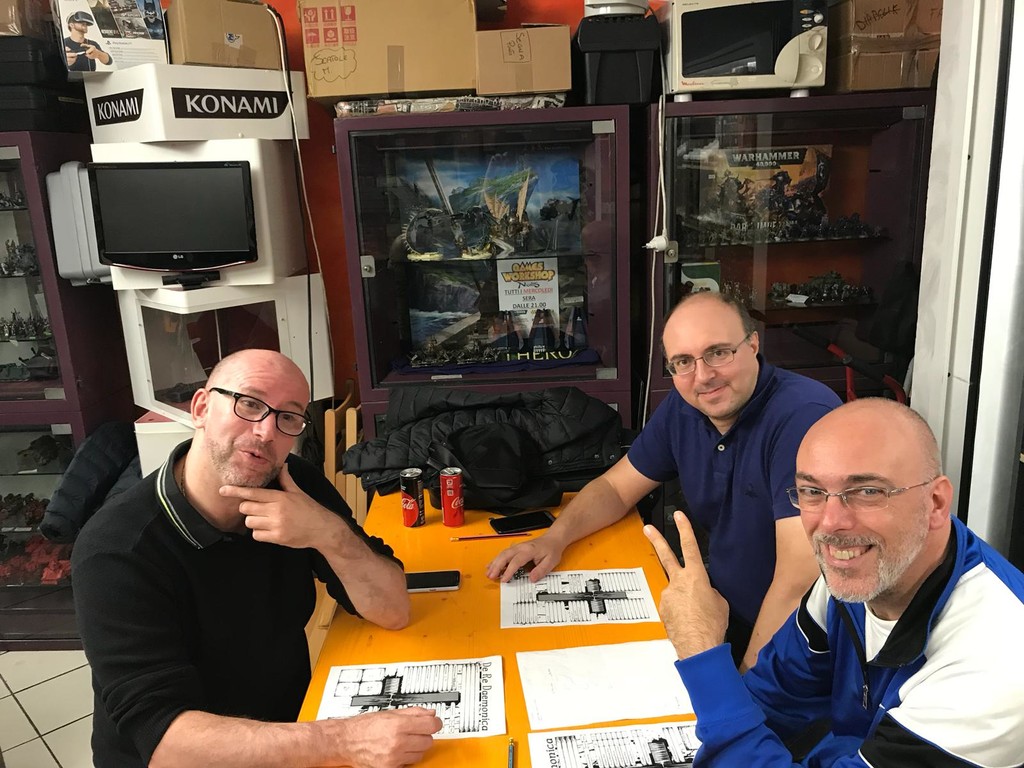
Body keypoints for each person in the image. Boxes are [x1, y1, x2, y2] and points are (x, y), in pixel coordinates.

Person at [72, 349, 442, 768]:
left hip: (289, 735)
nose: (267, 431)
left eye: (289, 416)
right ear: (201, 408)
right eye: (249, 404)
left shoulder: (293, 483)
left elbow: (392, 610)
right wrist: (345, 739)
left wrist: (328, 532)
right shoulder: (117, 550)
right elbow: (165, 742)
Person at [646, 399, 1024, 766]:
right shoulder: (856, 574)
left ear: (936, 503)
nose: (830, 524)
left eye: (868, 492)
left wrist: (700, 650)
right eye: (812, 492)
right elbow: (773, 697)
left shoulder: (994, 665)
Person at [488, 292, 840, 670]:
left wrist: (743, 686)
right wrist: (554, 538)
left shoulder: (804, 417)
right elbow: (615, 488)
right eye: (683, 362)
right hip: (720, 612)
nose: (703, 376)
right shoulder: (685, 407)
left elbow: (798, 582)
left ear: (753, 344)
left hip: (799, 641)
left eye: (718, 352)